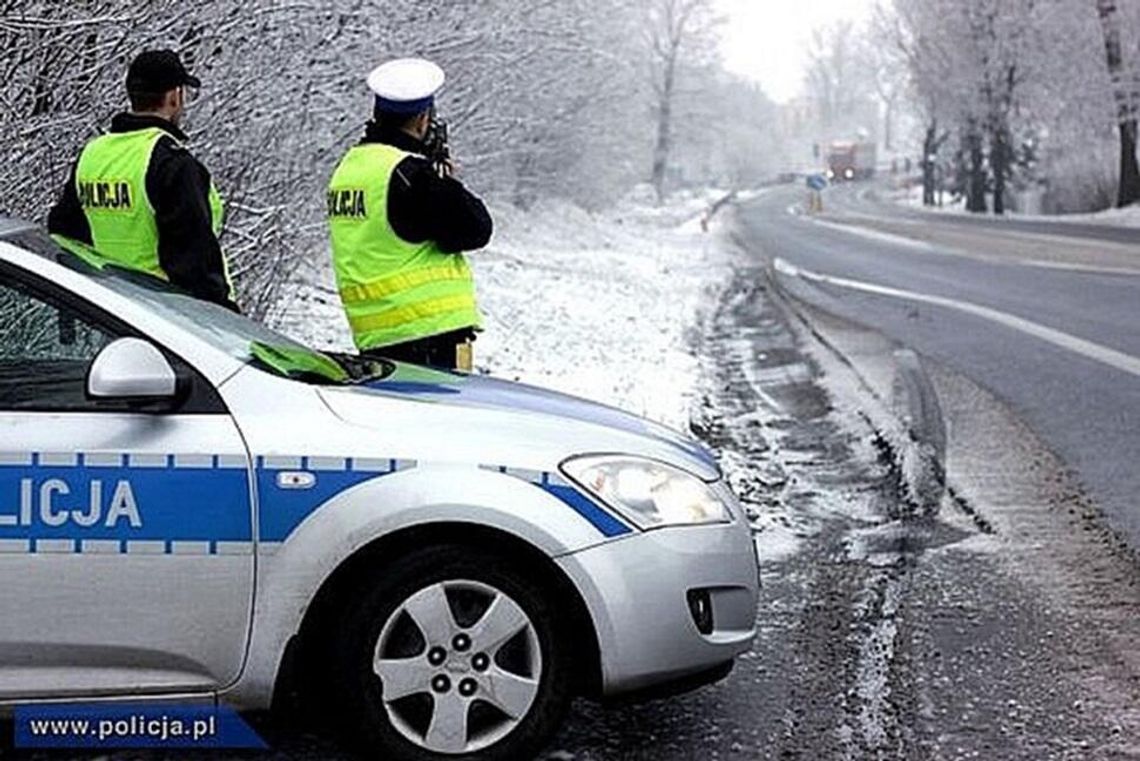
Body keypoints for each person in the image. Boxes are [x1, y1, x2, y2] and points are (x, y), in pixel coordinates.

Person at [327, 58, 492, 371]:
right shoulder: (410, 174)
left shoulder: (349, 168)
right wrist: (444, 178)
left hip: (376, 336)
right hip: (428, 335)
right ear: (422, 120)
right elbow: (476, 228)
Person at [48, 49, 237, 311]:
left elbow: (64, 237)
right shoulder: (173, 164)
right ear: (174, 96)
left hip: (111, 313)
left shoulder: (92, 154)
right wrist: (226, 321)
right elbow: (195, 264)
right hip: (170, 319)